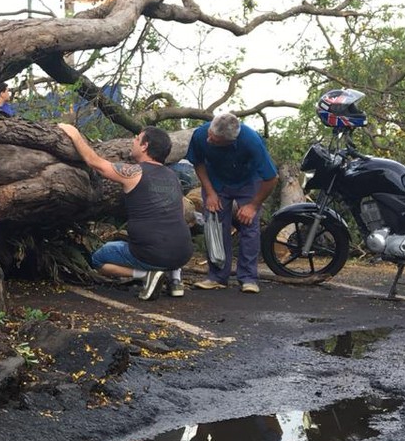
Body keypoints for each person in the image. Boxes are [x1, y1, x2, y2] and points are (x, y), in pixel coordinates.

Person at [57, 123, 194, 300]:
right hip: (183, 252)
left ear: (145, 146)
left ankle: (146, 275)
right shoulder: (172, 177)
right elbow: (180, 211)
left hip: (150, 253)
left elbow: (96, 164)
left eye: (137, 139)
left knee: (99, 258)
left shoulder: (135, 172)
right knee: (168, 238)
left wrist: (74, 134)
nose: (133, 142)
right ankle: (175, 280)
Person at [185, 112, 278, 293]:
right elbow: (198, 162)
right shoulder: (201, 134)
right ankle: (217, 276)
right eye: (210, 135)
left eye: (215, 140)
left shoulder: (251, 141)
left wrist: (253, 205)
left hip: (248, 181)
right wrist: (210, 193)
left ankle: (248, 278)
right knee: (215, 224)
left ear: (230, 141)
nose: (210, 140)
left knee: (249, 226)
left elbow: (271, 178)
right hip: (216, 182)